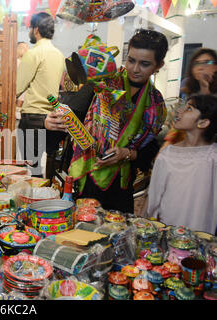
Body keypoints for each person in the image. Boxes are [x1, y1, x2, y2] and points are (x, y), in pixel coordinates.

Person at [46, 29, 169, 213]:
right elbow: (71, 117)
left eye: (144, 64)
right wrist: (50, 123)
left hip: (120, 188)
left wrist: (126, 153)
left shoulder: (156, 105)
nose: (135, 69)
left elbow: (149, 151)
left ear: (159, 65)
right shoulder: (103, 82)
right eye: (131, 60)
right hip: (85, 178)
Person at [146, 94, 217, 235]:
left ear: (203, 123)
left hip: (202, 234)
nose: (180, 111)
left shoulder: (212, 157)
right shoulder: (168, 154)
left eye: (189, 109)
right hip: (168, 228)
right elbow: (153, 196)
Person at [16, 12, 66, 178]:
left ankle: (33, 202)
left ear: (36, 30)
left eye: (30, 28)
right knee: (48, 171)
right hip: (52, 117)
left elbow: (17, 87)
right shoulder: (59, 55)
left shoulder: (33, 53)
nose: (30, 31)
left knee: (32, 172)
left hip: (32, 118)